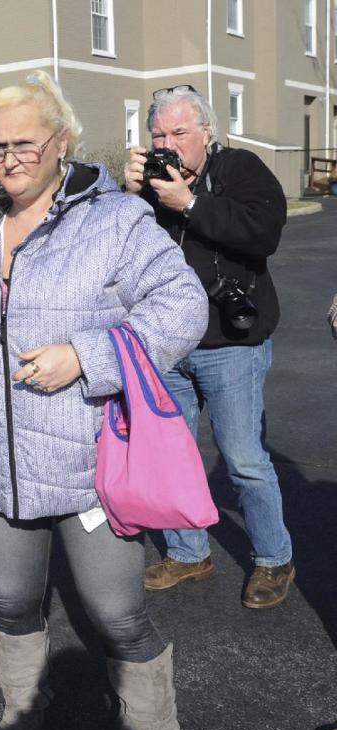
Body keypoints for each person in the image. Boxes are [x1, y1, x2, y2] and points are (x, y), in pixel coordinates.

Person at [0, 71, 208, 730]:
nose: (7, 159)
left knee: (117, 614)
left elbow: (182, 304)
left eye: (23, 144)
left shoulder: (114, 219)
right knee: (10, 605)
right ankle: (21, 713)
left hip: (87, 460)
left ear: (61, 141)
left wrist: (86, 354)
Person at [124, 85, 295, 609]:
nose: (167, 142)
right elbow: (114, 246)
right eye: (158, 133)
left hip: (230, 344)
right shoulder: (148, 185)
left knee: (243, 459)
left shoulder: (240, 169)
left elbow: (263, 231)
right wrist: (129, 195)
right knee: (174, 455)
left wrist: (191, 203)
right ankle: (188, 551)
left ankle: (273, 559)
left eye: (178, 132)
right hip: (167, 343)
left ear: (206, 134)